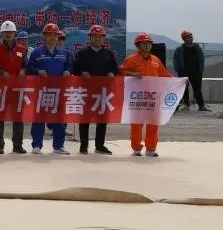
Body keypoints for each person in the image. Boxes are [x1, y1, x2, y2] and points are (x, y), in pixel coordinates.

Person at [120, 32, 173, 158]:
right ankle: (136, 148)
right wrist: (133, 74)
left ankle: (151, 149)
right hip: (138, 98)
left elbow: (165, 75)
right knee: (137, 124)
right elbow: (120, 72)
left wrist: (179, 81)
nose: (147, 46)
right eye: (144, 43)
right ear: (138, 46)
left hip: (153, 98)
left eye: (149, 43)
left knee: (153, 124)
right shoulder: (131, 60)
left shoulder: (156, 60)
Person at [26, 22, 73, 154]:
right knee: (39, 118)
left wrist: (68, 71)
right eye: (49, 34)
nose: (52, 37)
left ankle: (58, 146)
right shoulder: (37, 52)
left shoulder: (64, 53)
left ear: (58, 37)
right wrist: (38, 71)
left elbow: (70, 66)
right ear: (44, 36)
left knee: (59, 119)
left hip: (59, 91)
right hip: (42, 91)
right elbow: (30, 68)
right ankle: (37, 145)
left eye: (55, 35)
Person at [72, 25, 118, 155]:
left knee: (102, 120)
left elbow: (115, 69)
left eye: (100, 37)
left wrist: (112, 73)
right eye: (95, 36)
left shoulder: (109, 54)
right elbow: (74, 70)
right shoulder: (82, 53)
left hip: (103, 92)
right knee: (85, 119)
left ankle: (100, 145)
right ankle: (84, 145)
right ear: (90, 38)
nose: (98, 39)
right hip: (86, 92)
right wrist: (82, 73)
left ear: (104, 38)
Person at [0, 20, 28, 155]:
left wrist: (23, 70)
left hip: (17, 89)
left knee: (18, 118)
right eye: (5, 32)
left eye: (10, 32)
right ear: (2, 34)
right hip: (1, 89)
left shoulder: (22, 50)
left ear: (14, 33)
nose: (8, 34)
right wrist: (2, 72)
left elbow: (27, 66)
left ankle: (17, 145)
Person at [174, 30, 209, 111]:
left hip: (196, 72)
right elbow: (175, 60)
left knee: (197, 89)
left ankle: (201, 106)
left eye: (191, 36)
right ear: (184, 39)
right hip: (183, 72)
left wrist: (200, 70)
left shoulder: (197, 48)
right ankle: (186, 104)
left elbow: (201, 59)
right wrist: (178, 69)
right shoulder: (179, 49)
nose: (190, 38)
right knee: (184, 89)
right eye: (188, 37)